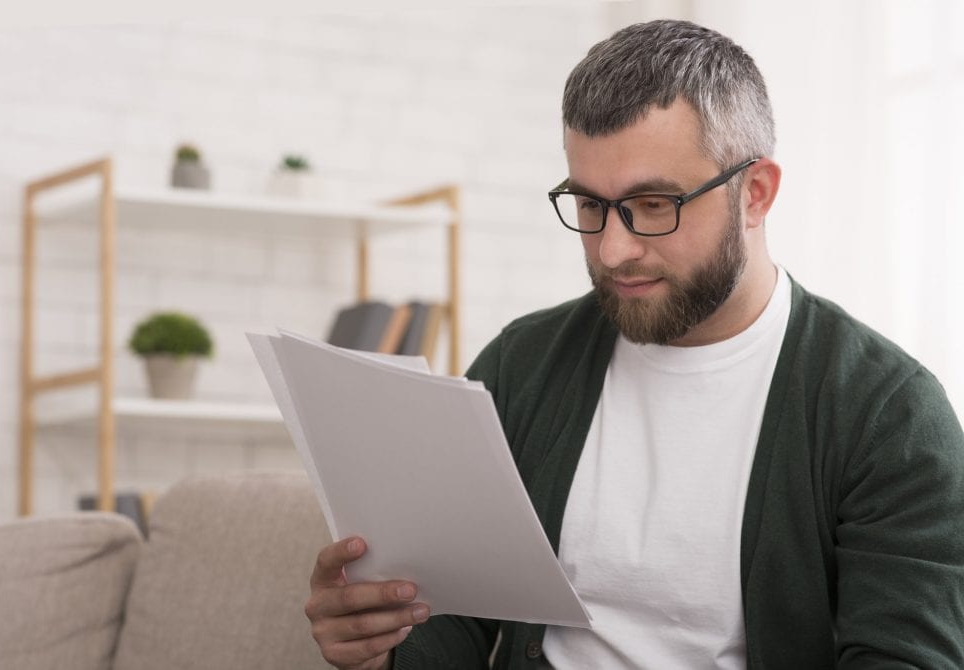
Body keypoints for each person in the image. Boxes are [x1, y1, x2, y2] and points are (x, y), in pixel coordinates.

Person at [304, 19, 964, 670]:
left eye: (653, 206)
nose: (614, 251)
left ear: (755, 193)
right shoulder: (521, 364)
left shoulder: (888, 414)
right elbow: (448, 619)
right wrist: (378, 652)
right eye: (589, 206)